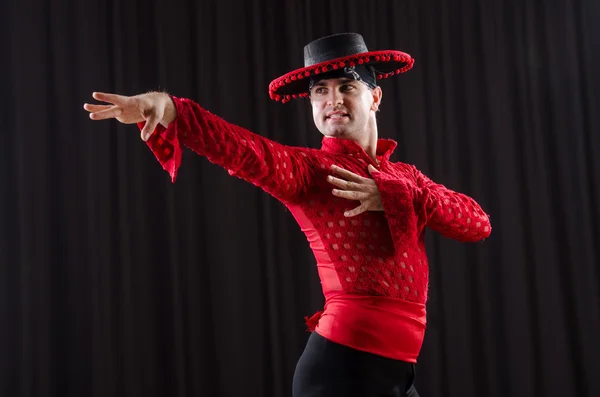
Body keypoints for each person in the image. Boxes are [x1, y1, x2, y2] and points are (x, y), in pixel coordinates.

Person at [84, 33, 491, 397]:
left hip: (396, 375)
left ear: (375, 97)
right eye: (320, 91)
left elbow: (477, 223)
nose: (333, 101)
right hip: (343, 371)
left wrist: (398, 195)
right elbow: (243, 149)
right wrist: (170, 108)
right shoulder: (310, 172)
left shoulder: (407, 178)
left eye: (346, 86)